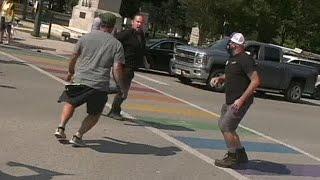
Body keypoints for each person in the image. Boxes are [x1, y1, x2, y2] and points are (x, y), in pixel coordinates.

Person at [54, 13, 125, 147]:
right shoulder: (116, 45)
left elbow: (74, 56)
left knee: (70, 103)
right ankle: (78, 135)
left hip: (80, 78)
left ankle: (61, 127)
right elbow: (116, 68)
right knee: (95, 114)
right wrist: (120, 86)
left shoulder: (85, 38)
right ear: (113, 26)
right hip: (99, 85)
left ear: (100, 23)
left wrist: (70, 72)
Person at [210, 32, 261, 168]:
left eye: (231, 43)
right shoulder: (233, 59)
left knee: (226, 126)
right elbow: (233, 75)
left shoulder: (245, 59)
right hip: (230, 99)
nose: (229, 45)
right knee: (227, 127)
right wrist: (221, 78)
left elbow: (255, 81)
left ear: (236, 45)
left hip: (239, 101)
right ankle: (240, 153)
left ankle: (232, 157)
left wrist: (241, 100)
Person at [107, 13, 146, 120]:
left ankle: (98, 93)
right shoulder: (126, 34)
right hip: (123, 66)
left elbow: (141, 50)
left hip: (131, 68)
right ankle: (114, 111)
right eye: (137, 22)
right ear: (132, 22)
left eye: (141, 22)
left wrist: (145, 62)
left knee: (120, 89)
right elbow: (113, 42)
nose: (139, 24)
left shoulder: (141, 35)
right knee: (122, 91)